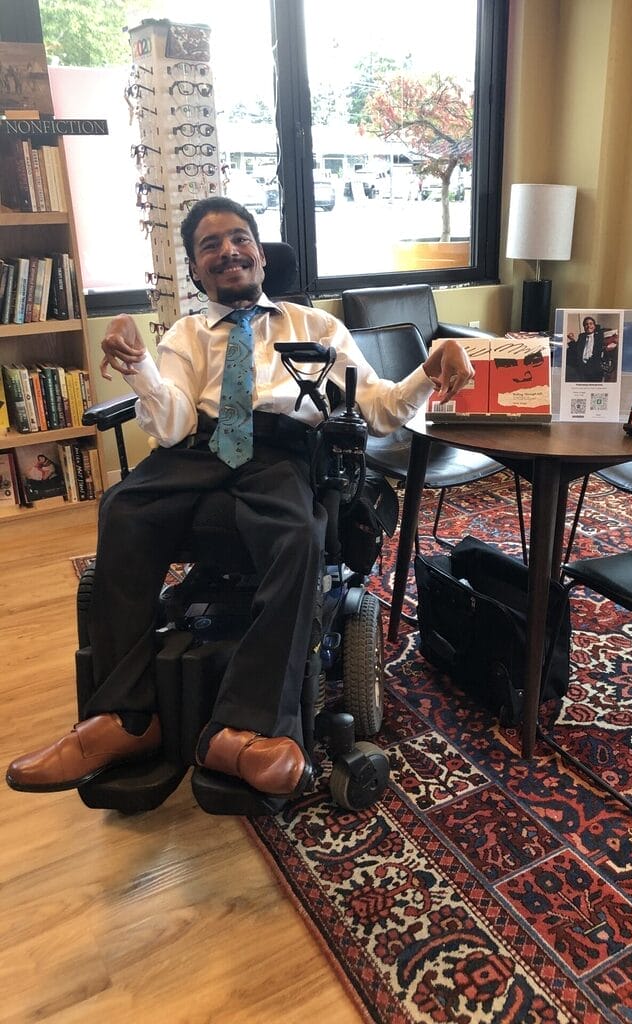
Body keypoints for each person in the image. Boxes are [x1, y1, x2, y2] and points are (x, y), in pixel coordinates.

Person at [6, 196, 474, 802]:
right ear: (196, 269)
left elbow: (380, 410)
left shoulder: (316, 327)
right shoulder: (186, 334)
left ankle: (245, 726)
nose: (228, 251)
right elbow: (172, 423)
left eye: (239, 238)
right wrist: (140, 367)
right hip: (198, 448)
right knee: (123, 508)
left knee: (298, 534)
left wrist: (429, 369)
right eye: (210, 245)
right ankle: (125, 717)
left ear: (260, 255)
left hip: (279, 452)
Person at [565, 315, 606, 383]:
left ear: (594, 326)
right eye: (586, 324)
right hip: (582, 368)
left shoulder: (599, 336)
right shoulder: (581, 336)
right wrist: (572, 339)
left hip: (595, 368)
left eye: (591, 324)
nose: (588, 326)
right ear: (584, 327)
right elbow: (577, 349)